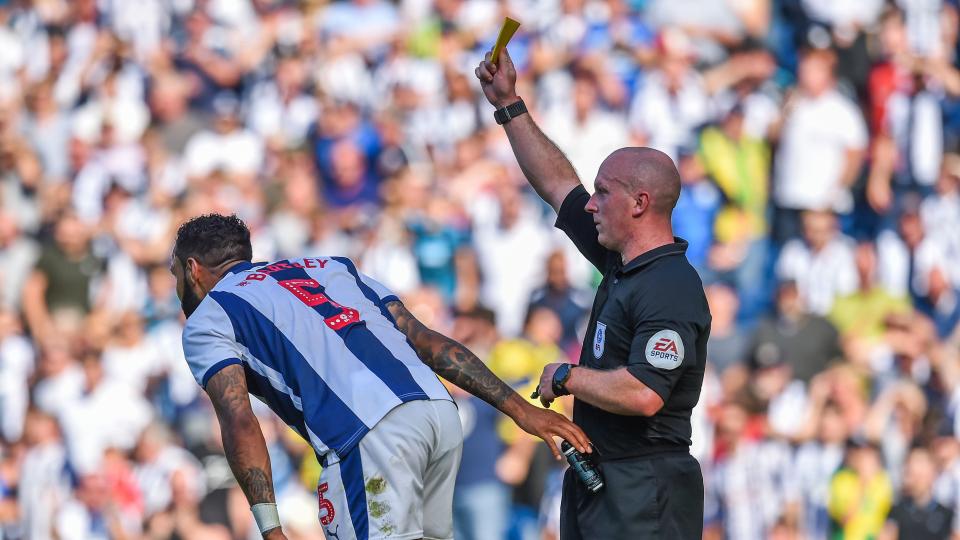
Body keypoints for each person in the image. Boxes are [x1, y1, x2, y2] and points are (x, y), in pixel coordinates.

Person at [171, 214, 589, 540]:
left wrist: (269, 526)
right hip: (437, 415)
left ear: (192, 270)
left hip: (367, 436)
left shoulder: (209, 315)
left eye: (175, 275)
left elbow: (238, 417)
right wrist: (520, 410)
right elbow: (425, 340)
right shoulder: (329, 266)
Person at [476, 48, 711, 539]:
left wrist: (566, 376)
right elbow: (559, 184)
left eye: (604, 193)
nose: (593, 203)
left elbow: (645, 393)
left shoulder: (670, 286)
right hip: (606, 483)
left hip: (646, 489)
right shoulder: (620, 261)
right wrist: (509, 106)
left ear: (640, 204)